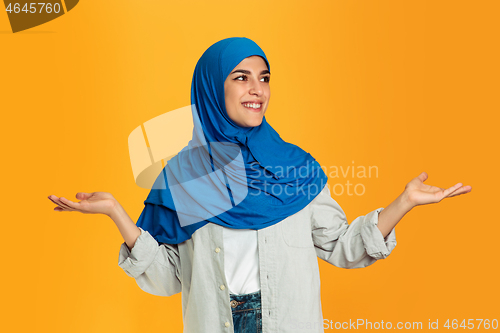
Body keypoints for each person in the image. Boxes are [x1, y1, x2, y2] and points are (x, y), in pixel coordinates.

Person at [48, 37, 472, 333]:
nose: (258, 90)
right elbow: (168, 279)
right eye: (241, 77)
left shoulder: (297, 167)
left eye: (264, 77)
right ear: (213, 88)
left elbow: (343, 248)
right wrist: (117, 214)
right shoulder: (183, 175)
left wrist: (403, 203)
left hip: (288, 323)